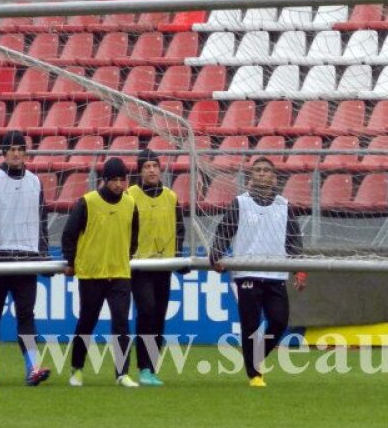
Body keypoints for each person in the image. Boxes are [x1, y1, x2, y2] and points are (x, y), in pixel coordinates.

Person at [208, 157, 306, 387]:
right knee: (250, 325)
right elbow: (224, 232)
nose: (261, 173)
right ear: (251, 177)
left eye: (266, 171)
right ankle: (254, 374)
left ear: (274, 178)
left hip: (276, 274)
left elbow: (293, 240)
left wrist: (300, 270)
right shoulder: (240, 203)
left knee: (279, 321)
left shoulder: (284, 205)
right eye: (257, 170)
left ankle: (256, 356)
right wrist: (216, 255)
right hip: (247, 274)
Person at [0, 130, 51, 388]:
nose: (16, 154)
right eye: (12, 149)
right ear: (4, 153)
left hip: (26, 258)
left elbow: (42, 220)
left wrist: (43, 254)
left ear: (26, 152)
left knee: (26, 315)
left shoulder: (35, 181)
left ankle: (32, 367)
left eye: (20, 149)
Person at [62, 157, 138, 388]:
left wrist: (123, 256)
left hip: (120, 274)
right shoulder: (87, 202)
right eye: (114, 180)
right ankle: (76, 368)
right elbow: (69, 234)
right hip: (92, 274)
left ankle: (122, 374)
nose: (118, 184)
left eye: (122, 180)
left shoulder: (130, 204)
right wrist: (71, 261)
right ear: (104, 180)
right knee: (87, 322)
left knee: (121, 324)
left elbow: (134, 238)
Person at [128, 148, 187, 387]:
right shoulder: (130, 196)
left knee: (159, 316)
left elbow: (180, 229)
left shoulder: (171, 197)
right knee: (147, 311)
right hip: (139, 265)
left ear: (160, 170)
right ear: (140, 171)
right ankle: (143, 367)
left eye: (154, 166)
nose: (151, 170)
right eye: (146, 166)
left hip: (164, 265)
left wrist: (178, 256)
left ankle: (151, 368)